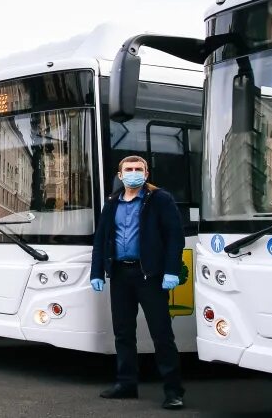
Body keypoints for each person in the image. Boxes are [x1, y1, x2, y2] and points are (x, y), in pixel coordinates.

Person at [91, 156, 186, 410]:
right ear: (120, 175)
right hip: (120, 275)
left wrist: (171, 271)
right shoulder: (112, 203)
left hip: (150, 276)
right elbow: (101, 239)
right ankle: (126, 383)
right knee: (123, 333)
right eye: (128, 169)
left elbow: (175, 237)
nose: (134, 173)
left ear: (146, 173)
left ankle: (173, 391)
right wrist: (97, 272)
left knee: (161, 334)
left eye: (138, 169)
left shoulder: (159, 199)